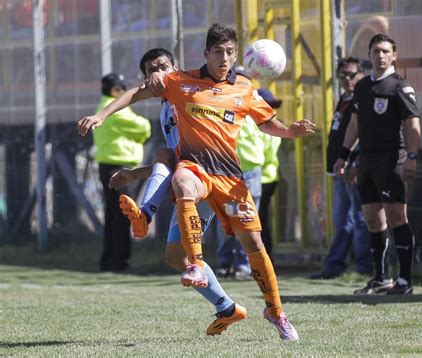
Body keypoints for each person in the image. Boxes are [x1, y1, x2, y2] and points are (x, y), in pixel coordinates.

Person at [78, 23, 316, 341]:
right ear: (206, 54)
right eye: (218, 52)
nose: (224, 58)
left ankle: (275, 312)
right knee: (183, 179)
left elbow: (266, 122)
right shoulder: (182, 82)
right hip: (196, 171)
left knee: (253, 246)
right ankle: (196, 263)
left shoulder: (243, 88)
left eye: (230, 52)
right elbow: (136, 93)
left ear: (236, 55)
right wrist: (102, 115)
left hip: (230, 178)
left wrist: (290, 132)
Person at [105, 48, 245, 336]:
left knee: (253, 246)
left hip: (208, 178)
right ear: (146, 79)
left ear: (175, 68)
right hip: (186, 180)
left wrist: (101, 115)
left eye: (163, 66)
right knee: (174, 257)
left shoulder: (188, 94)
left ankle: (145, 214)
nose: (159, 72)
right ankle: (227, 308)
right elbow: (171, 160)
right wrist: (134, 173)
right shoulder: (166, 106)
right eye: (151, 70)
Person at [334, 34, 421, 295]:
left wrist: (413, 157)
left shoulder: (399, 86)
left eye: (385, 51)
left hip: (393, 158)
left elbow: (412, 123)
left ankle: (405, 279)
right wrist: (344, 154)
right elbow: (354, 124)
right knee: (372, 219)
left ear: (394, 55)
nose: (380, 56)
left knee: (396, 216)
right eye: (375, 51)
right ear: (369, 55)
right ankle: (381, 277)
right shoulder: (362, 87)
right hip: (367, 160)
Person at [310, 57, 373, 279]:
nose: (347, 80)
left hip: (352, 168)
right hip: (338, 169)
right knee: (341, 220)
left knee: (359, 218)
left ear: (362, 74)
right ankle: (335, 266)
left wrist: (355, 162)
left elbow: (364, 133)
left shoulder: (363, 97)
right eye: (342, 76)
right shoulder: (345, 98)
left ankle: (365, 266)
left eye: (351, 75)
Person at [93, 73, 151, 272]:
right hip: (119, 167)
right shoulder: (116, 110)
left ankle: (108, 260)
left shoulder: (103, 105)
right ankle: (120, 261)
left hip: (107, 165)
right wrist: (138, 136)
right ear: (115, 91)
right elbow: (144, 127)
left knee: (113, 214)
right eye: (124, 89)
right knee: (125, 214)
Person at [214, 67, 265, 280]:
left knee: (247, 221)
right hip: (226, 170)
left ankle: (244, 265)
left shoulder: (255, 102)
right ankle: (225, 262)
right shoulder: (222, 101)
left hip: (251, 170)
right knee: (224, 220)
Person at [257, 88, 283, 261]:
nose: (271, 109)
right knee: (260, 220)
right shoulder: (263, 124)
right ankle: (266, 258)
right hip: (267, 177)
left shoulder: (265, 126)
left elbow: (264, 153)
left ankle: (265, 258)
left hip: (263, 178)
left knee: (259, 221)